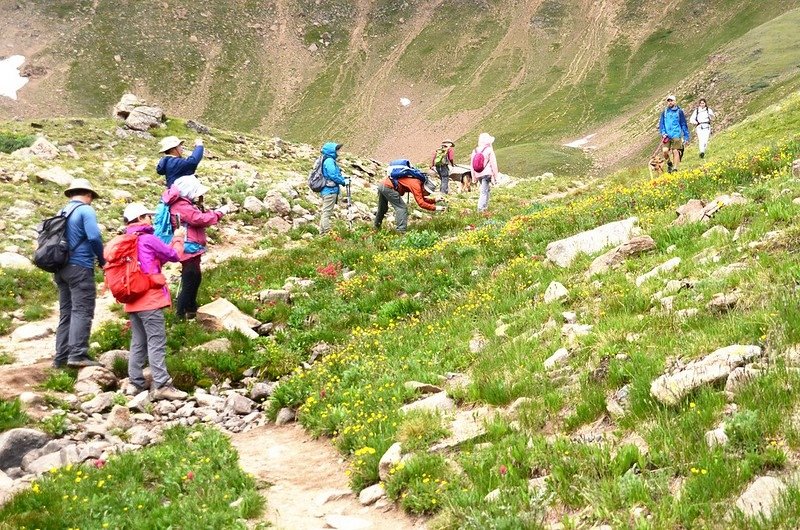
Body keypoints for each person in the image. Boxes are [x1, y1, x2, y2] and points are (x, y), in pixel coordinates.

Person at [120, 203, 188, 400]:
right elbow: (174, 255)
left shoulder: (125, 240)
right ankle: (162, 384)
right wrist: (178, 238)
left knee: (138, 342)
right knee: (156, 341)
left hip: (132, 300)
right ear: (140, 219)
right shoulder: (148, 239)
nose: (151, 219)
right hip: (150, 300)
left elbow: (152, 262)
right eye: (147, 216)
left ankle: (135, 382)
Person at [161, 175, 228, 319]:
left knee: (195, 277)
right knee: (190, 278)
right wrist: (219, 213)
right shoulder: (181, 206)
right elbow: (199, 219)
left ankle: (191, 308)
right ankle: (181, 314)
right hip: (187, 246)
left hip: (191, 246)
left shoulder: (183, 203)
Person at [54, 179, 105, 369]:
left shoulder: (62, 212)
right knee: (82, 310)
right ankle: (77, 354)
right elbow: (93, 237)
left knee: (66, 313)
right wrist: (102, 259)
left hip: (61, 269)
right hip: (80, 267)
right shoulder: (86, 210)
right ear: (88, 194)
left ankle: (61, 358)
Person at [374, 163, 445, 233]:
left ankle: (376, 228)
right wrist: (436, 208)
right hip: (388, 187)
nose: (428, 194)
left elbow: (421, 199)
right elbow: (421, 203)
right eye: (428, 193)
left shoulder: (417, 182)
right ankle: (401, 232)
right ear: (425, 189)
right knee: (402, 208)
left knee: (382, 208)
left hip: (382, 184)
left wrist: (435, 200)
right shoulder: (416, 185)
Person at [318, 142, 348, 235]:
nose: (338, 151)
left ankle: (322, 233)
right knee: (326, 213)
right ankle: (327, 233)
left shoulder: (325, 159)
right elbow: (333, 175)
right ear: (331, 151)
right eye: (336, 149)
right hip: (330, 191)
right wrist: (343, 181)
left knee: (325, 212)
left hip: (326, 190)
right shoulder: (329, 161)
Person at [658, 95, 690, 173]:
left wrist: (686, 136)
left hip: (676, 134)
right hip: (667, 136)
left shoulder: (679, 112)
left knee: (675, 151)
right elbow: (661, 124)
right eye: (668, 101)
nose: (670, 102)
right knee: (665, 151)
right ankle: (669, 163)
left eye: (671, 101)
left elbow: (683, 124)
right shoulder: (664, 112)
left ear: (675, 101)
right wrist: (663, 132)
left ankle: (675, 168)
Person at [471, 133, 499, 213]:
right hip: (487, 174)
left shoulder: (475, 151)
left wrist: (474, 177)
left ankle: (485, 206)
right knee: (484, 191)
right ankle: (481, 209)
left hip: (478, 173)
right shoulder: (489, 150)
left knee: (486, 189)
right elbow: (493, 164)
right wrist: (496, 176)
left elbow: (472, 165)